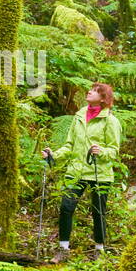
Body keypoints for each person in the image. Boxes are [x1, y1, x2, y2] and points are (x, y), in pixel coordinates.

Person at [42, 82, 122, 260]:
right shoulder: (78, 117)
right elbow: (70, 145)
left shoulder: (110, 120)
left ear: (103, 98)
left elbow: (114, 150)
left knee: (98, 211)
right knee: (66, 207)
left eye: (95, 91)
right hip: (76, 171)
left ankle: (99, 250)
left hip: (98, 172)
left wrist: (101, 151)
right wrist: (53, 155)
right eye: (91, 89)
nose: (89, 91)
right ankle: (63, 249)